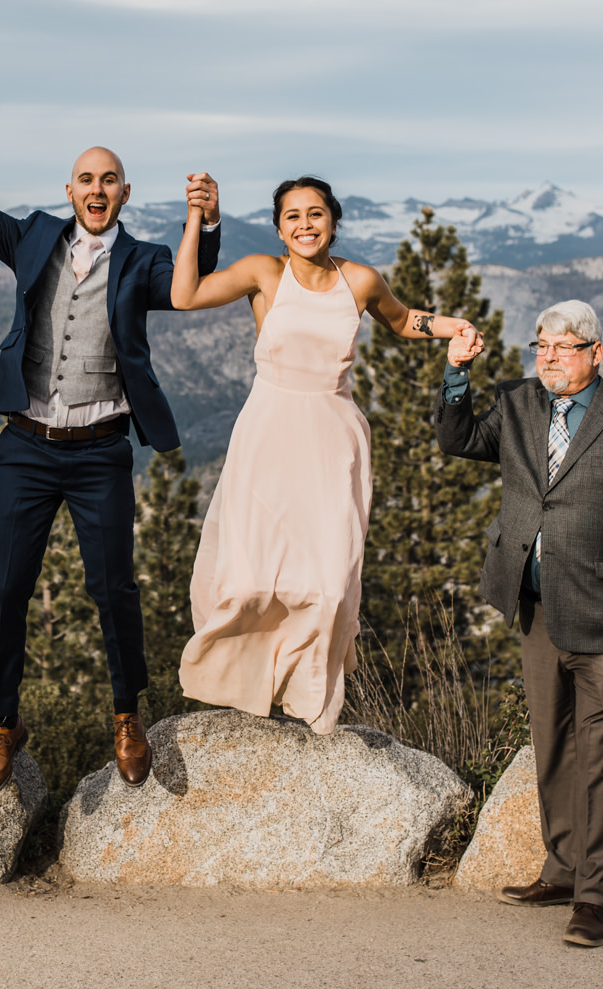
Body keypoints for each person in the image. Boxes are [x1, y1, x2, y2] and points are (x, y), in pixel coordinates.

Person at [0, 117, 222, 798]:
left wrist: (202, 223)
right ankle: (3, 722)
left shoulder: (147, 258)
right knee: (6, 588)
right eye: (86, 178)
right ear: (70, 189)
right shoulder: (33, 235)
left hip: (100, 453)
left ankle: (128, 715)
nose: (97, 188)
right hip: (27, 446)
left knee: (114, 588)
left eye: (108, 178)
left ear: (123, 192)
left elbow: (193, 279)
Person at [439, 300, 603, 948]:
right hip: (535, 610)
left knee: (601, 758)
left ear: (596, 352)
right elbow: (457, 439)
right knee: (553, 750)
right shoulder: (519, 404)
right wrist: (455, 375)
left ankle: (593, 897)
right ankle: (560, 870)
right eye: (542, 345)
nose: (550, 356)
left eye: (564, 345)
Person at [168, 175, 476, 730]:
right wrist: (196, 217)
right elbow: (183, 295)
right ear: (279, 228)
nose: (305, 224)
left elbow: (403, 320)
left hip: (333, 440)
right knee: (251, 580)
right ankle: (246, 685)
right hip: (268, 435)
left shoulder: (358, 280)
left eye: (315, 214)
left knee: (330, 584)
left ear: (333, 220)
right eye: (293, 216)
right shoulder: (264, 273)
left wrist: (452, 326)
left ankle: (308, 699)